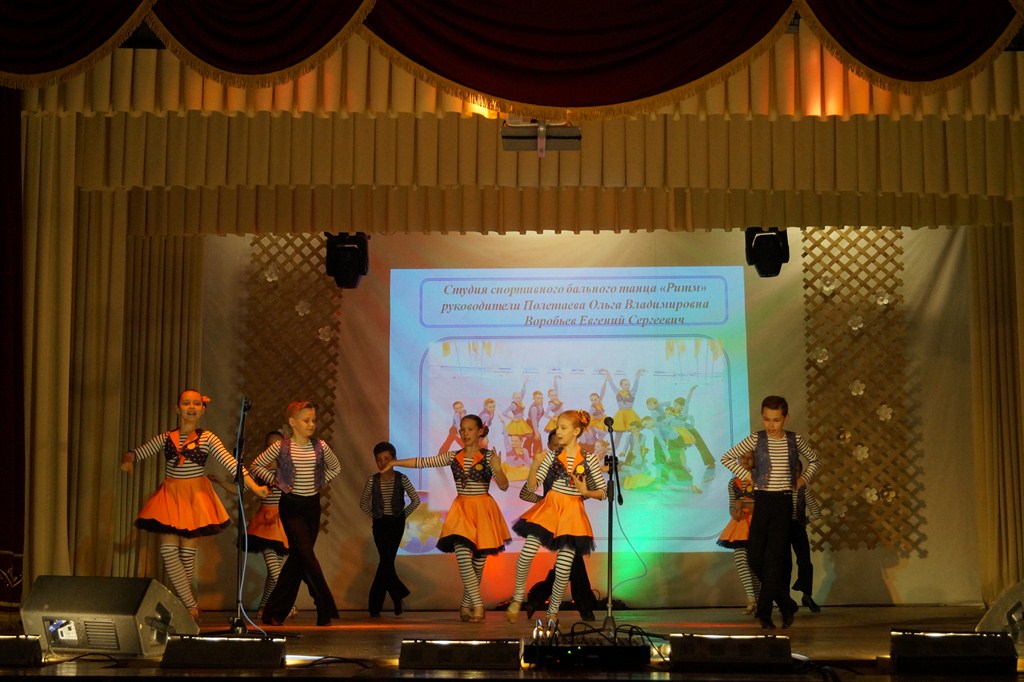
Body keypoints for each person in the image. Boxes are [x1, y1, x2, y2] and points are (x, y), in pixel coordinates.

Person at [120, 389, 269, 621]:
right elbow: (136, 453)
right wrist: (128, 460)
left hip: (195, 497)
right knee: (168, 551)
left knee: (187, 556)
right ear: (177, 408)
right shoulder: (166, 437)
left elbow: (232, 464)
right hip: (170, 496)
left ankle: (184, 605)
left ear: (202, 409)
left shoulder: (208, 438)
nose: (191, 407)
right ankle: (190, 604)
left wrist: (254, 486)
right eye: (186, 403)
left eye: (196, 403)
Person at [385, 414, 510, 623]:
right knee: (463, 559)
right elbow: (424, 462)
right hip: (461, 511)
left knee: (477, 565)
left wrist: (498, 469)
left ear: (480, 431)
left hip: (484, 511)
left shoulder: (489, 457)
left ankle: (465, 605)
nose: (465, 433)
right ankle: (478, 606)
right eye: (462, 429)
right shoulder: (453, 456)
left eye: (470, 429)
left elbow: (504, 486)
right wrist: (395, 462)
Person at [720, 395, 820, 630]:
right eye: (766, 419)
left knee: (774, 559)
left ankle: (765, 614)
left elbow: (815, 460)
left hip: (783, 502)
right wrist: (749, 476)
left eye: (776, 420)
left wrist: (802, 479)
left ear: (786, 418)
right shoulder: (757, 438)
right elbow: (727, 457)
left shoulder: (794, 439)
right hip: (763, 501)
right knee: (754, 557)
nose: (771, 425)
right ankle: (785, 602)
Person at [506, 410, 607, 627]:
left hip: (572, 512)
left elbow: (603, 492)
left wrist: (585, 491)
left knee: (563, 568)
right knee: (526, 553)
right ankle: (517, 597)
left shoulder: (588, 458)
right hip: (550, 507)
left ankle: (552, 612)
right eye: (557, 427)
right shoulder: (551, 456)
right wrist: (534, 465)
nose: (558, 431)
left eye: (563, 428)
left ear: (576, 431)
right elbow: (532, 487)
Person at [251, 400, 342, 626]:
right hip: (291, 506)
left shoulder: (320, 446)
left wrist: (319, 481)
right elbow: (256, 466)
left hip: (312, 506)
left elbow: (336, 467)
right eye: (306, 420)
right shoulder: (281, 447)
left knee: (298, 559)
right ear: (292, 422)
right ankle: (325, 603)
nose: (311, 424)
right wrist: (278, 482)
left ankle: (274, 612)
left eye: (313, 420)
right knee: (307, 556)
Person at [522, 429, 598, 620]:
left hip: (571, 519)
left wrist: (576, 498)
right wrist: (545, 503)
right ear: (549, 446)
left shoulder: (575, 462)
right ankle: (583, 605)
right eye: (556, 445)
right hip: (554, 520)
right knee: (573, 561)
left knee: (570, 562)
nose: (560, 448)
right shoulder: (547, 465)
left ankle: (538, 597)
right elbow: (525, 493)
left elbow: (587, 490)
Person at [359, 441, 421, 617]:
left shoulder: (402, 478)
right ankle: (397, 594)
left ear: (394, 459)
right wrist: (375, 516)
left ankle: (376, 606)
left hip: (396, 523)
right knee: (386, 562)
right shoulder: (373, 480)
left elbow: (415, 499)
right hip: (380, 524)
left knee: (386, 563)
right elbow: (363, 503)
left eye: (387, 459)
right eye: (379, 460)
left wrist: (402, 515)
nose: (383, 463)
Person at [242, 430, 296, 620]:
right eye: (270, 445)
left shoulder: (288, 470)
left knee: (274, 572)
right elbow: (241, 489)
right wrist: (221, 483)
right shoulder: (258, 470)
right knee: (275, 569)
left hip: (282, 522)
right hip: (265, 523)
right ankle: (287, 603)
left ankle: (265, 606)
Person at [716, 451, 759, 615]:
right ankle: (751, 599)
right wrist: (735, 512)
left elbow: (765, 504)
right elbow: (731, 506)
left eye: (750, 457)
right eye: (742, 457)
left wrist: (746, 505)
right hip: (741, 524)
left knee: (755, 564)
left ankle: (759, 600)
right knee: (741, 559)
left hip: (758, 523)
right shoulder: (733, 482)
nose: (746, 460)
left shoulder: (761, 479)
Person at [791, 459, 823, 613]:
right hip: (781, 530)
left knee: (805, 562)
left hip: (797, 528)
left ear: (801, 473)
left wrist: (803, 521)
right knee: (783, 564)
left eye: (796, 471)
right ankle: (784, 598)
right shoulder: (778, 490)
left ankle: (807, 595)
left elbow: (816, 512)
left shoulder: (803, 490)